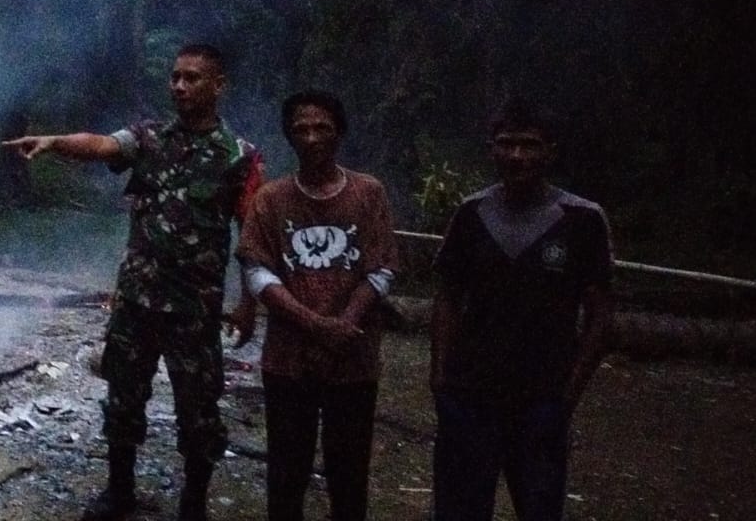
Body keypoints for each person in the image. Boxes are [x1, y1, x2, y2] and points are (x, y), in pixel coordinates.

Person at [3, 44, 263, 521]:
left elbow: (251, 236)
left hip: (193, 309)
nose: (180, 86)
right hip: (137, 301)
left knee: (199, 410)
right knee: (123, 398)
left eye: (192, 78)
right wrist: (55, 141)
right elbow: (103, 144)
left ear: (218, 86)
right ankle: (119, 493)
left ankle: (193, 504)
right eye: (175, 77)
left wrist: (248, 302)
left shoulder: (237, 158)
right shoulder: (149, 138)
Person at [429, 101, 613, 521]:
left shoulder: (583, 220)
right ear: (491, 149)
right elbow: (448, 298)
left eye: (529, 145)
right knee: (459, 510)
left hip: (541, 398)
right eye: (506, 144)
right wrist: (440, 379)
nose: (517, 156)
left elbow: (600, 316)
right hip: (470, 394)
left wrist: (566, 396)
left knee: (539, 508)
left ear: (550, 151)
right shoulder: (472, 214)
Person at [235, 90, 399, 521]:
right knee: (287, 475)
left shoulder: (368, 193)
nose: (311, 137)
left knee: (349, 474)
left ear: (339, 132)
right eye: (301, 129)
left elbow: (381, 268)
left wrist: (345, 322)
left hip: (354, 359)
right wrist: (316, 325)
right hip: (289, 361)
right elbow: (258, 272)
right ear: (289, 136)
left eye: (321, 127)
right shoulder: (271, 199)